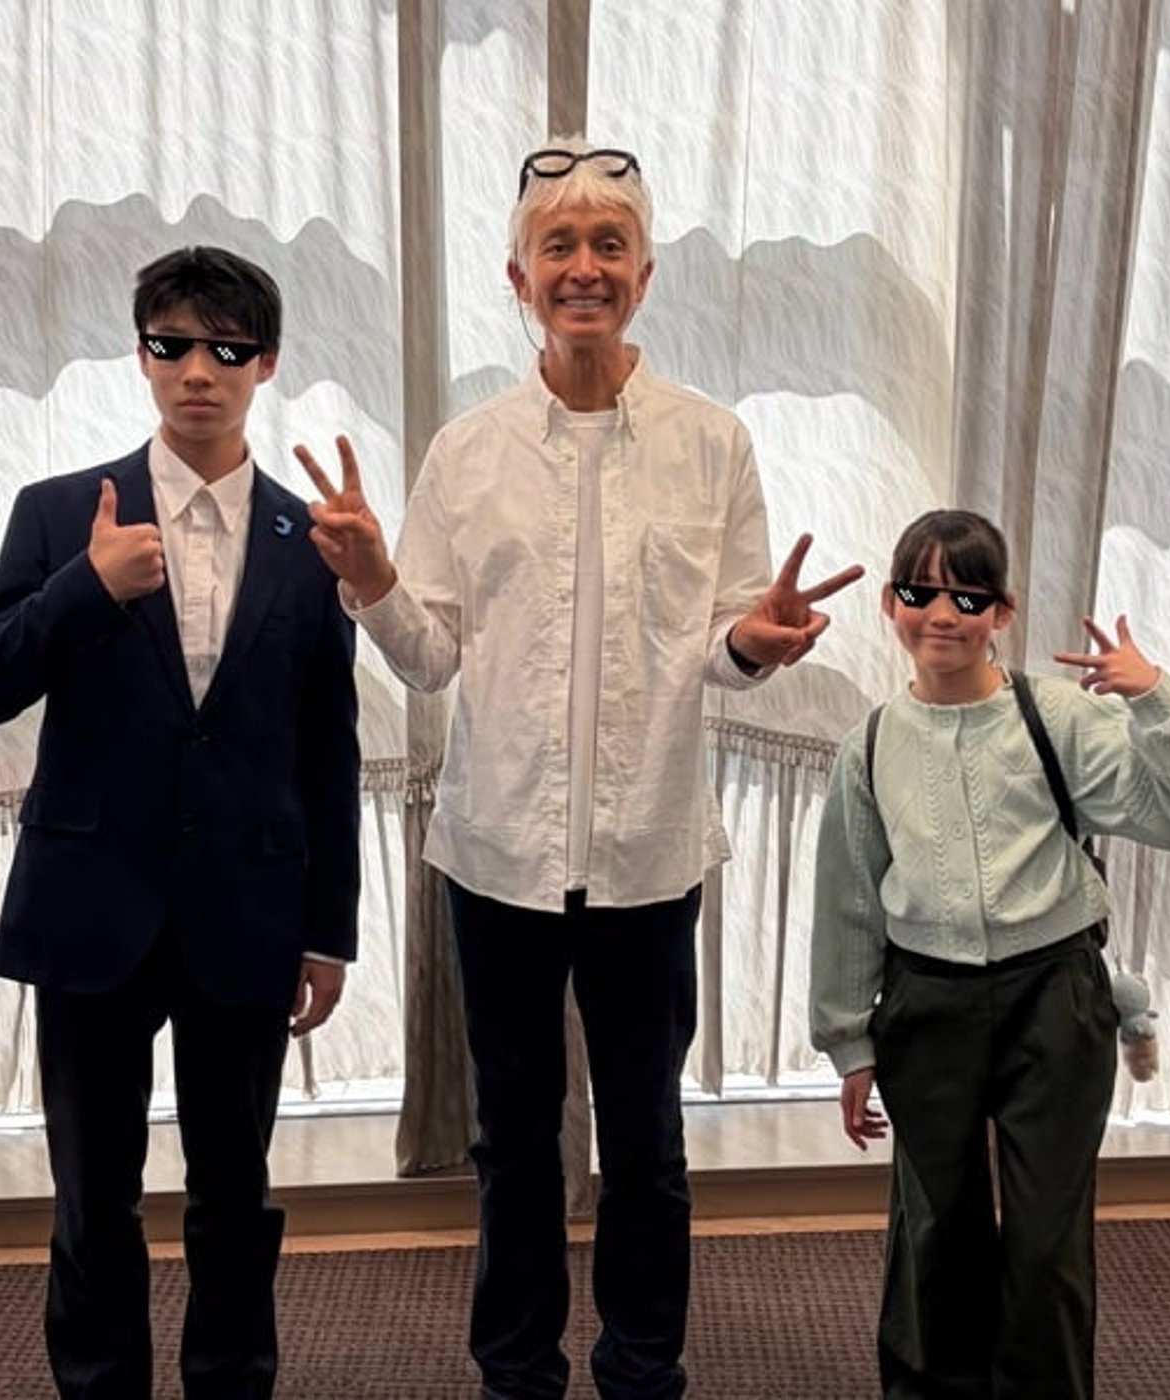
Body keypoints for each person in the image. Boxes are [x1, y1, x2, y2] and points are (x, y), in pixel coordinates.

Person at [296, 137, 863, 1399]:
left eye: (610, 244)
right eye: (559, 245)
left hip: (649, 852)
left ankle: (641, 1367)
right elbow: (430, 658)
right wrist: (374, 582)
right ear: (519, 278)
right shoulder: (466, 451)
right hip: (496, 850)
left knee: (647, 1141)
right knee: (511, 1142)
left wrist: (754, 642)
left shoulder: (712, 444)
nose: (584, 267)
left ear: (644, 274)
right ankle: (515, 1371)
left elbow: (719, 646)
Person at [0, 246, 361, 1399]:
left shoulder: (308, 538)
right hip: (91, 907)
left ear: (264, 363)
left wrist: (328, 929)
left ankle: (232, 1379)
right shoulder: (58, 513)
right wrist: (84, 588)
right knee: (93, 1193)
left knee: (235, 1192)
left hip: (250, 910)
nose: (198, 370)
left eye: (227, 349)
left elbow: (325, 747)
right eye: (172, 344)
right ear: (139, 354)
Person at [809, 509, 1170, 1400]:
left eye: (968, 596)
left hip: (1055, 999)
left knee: (1046, 1241)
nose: (942, 615)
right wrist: (849, 1041)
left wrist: (1156, 696)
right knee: (934, 1230)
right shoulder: (869, 745)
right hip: (925, 1003)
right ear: (889, 603)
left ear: (1003, 611)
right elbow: (849, 900)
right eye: (920, 592)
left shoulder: (1057, 717)